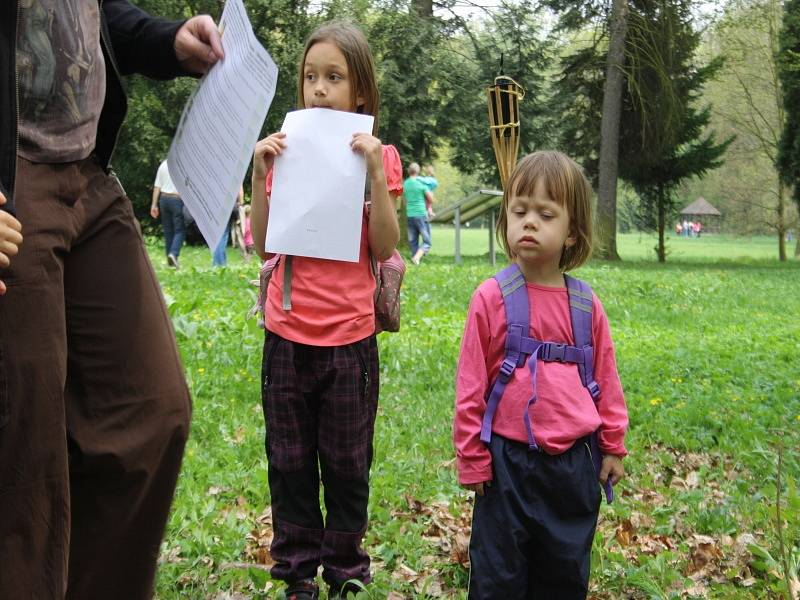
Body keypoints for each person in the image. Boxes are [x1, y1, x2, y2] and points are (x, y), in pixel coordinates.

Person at [0, 3, 223, 598]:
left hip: (88, 176)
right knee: (27, 453)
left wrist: (168, 39)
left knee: (153, 410)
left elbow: (86, 13)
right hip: (13, 187)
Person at [250, 21, 402, 600]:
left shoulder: (378, 156)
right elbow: (266, 243)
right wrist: (261, 174)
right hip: (287, 335)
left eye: (334, 78)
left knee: (345, 461)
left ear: (360, 91)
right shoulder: (284, 149)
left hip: (349, 340)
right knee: (288, 460)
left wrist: (373, 177)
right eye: (311, 77)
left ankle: (344, 571)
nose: (319, 89)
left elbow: (384, 248)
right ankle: (295, 573)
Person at [453, 151, 628, 598]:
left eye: (545, 214)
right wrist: (472, 456)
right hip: (505, 466)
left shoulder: (586, 306)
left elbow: (605, 378)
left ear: (572, 233)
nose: (529, 222)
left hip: (574, 466)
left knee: (564, 574)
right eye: (520, 211)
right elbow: (471, 387)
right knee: (498, 576)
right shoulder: (491, 298)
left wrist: (612, 445)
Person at [151, 158, 186, 268]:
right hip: (177, 200)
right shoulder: (183, 164)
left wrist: (154, 204)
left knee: (168, 231)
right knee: (180, 230)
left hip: (164, 200)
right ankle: (173, 254)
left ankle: (170, 262)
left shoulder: (163, 165)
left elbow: (157, 186)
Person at [403, 162, 433, 265]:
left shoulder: (405, 183)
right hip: (420, 214)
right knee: (427, 241)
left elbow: (405, 199)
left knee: (413, 240)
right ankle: (416, 258)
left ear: (408, 171)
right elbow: (430, 198)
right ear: (418, 171)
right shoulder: (421, 183)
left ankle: (415, 260)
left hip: (410, 214)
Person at [212, 185, 244, 267]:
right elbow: (239, 188)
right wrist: (241, 204)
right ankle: (220, 264)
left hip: (216, 204)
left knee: (218, 236)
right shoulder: (234, 172)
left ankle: (217, 262)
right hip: (228, 204)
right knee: (223, 235)